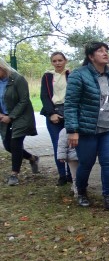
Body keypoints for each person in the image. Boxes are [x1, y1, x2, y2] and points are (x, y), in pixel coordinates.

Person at [64, 42, 109, 210]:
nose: (105, 53)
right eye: (100, 51)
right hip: (87, 129)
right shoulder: (78, 75)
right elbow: (71, 104)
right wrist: (73, 130)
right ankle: (81, 192)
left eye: (106, 50)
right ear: (91, 56)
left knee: (108, 163)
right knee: (86, 163)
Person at [0, 58, 39, 186]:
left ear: (2, 67)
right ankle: (32, 158)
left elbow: (24, 100)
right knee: (8, 146)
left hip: (21, 117)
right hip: (4, 118)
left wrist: (11, 116)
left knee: (15, 143)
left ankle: (14, 175)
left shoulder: (17, 79)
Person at [40, 51, 71, 186]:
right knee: (57, 144)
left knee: (71, 144)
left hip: (69, 112)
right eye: (54, 61)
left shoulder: (71, 75)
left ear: (65, 61)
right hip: (53, 111)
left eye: (60, 60)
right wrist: (51, 113)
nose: (57, 63)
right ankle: (62, 175)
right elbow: (44, 96)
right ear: (51, 63)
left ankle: (71, 174)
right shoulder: (47, 76)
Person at [56, 128, 79, 197]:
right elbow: (61, 144)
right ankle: (77, 191)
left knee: (81, 174)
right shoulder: (65, 130)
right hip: (72, 157)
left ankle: (76, 187)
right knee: (75, 176)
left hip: (83, 156)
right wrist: (61, 156)